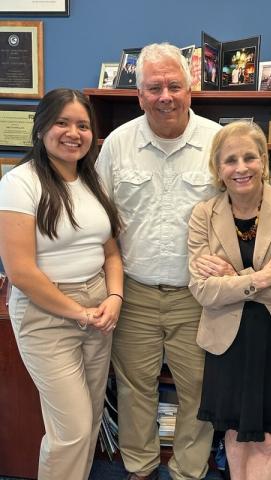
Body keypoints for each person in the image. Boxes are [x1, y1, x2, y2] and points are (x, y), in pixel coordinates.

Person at [96, 42, 222, 480]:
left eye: (173, 85)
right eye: (154, 87)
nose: (164, 95)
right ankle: (140, 466)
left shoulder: (215, 143)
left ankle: (189, 470)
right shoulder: (116, 144)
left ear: (190, 89)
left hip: (198, 297)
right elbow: (99, 218)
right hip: (134, 294)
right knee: (134, 389)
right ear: (139, 95)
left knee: (198, 390)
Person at [188, 121, 271, 480]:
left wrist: (230, 280)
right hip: (228, 342)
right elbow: (201, 290)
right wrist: (260, 278)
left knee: (265, 439)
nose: (241, 167)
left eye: (250, 157)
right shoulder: (204, 214)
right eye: (230, 160)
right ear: (218, 168)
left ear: (264, 160)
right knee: (233, 432)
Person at [0, 88, 123, 480]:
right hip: (47, 312)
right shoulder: (20, 183)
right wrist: (80, 312)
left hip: (98, 305)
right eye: (62, 122)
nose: (74, 133)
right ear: (41, 129)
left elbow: (111, 253)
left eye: (83, 125)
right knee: (71, 430)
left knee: (88, 422)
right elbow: (20, 271)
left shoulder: (92, 179)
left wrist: (115, 297)